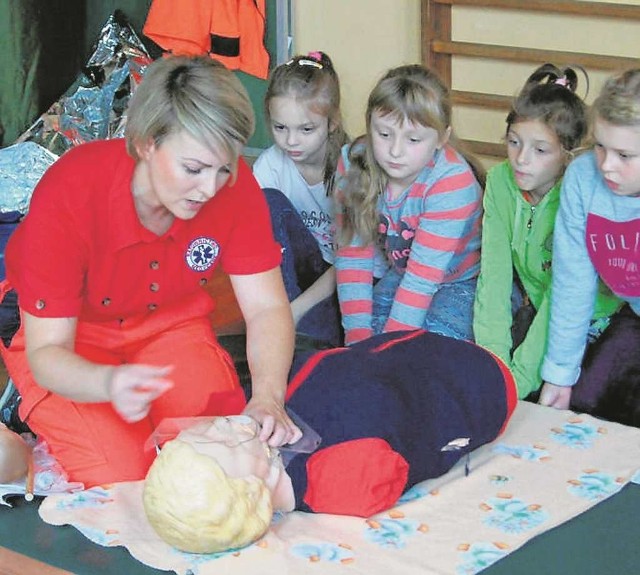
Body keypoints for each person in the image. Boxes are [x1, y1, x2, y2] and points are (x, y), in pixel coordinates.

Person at [0, 55, 302, 488]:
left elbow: (267, 307)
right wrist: (108, 382)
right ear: (146, 144)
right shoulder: (71, 192)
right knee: (124, 480)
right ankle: (27, 412)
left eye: (224, 168)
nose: (211, 188)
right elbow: (49, 351)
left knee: (221, 460)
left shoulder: (233, 188)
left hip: (168, 323)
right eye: (193, 169)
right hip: (68, 337)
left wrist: (268, 396)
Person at [143, 329, 517, 553]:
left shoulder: (250, 419)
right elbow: (387, 415)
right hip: (478, 385)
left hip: (414, 350)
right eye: (219, 444)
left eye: (202, 430)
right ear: (247, 493)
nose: (220, 426)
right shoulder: (342, 477)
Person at [473, 63, 621, 400]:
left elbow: (564, 295)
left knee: (579, 397)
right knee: (474, 368)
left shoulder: (575, 193)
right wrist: (494, 363)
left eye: (540, 150)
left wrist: (517, 382)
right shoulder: (499, 182)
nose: (521, 160)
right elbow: (494, 276)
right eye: (513, 142)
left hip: (586, 318)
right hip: (533, 306)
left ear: (567, 157)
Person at [334, 64, 485, 346]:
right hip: (404, 276)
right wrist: (356, 342)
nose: (395, 151)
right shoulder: (353, 161)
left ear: (441, 139)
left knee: (425, 351)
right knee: (368, 343)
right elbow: (353, 257)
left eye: (413, 139)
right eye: (384, 134)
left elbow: (422, 280)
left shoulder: (452, 182)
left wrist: (391, 355)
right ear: (369, 125)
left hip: (463, 283)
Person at [539, 68, 640, 426]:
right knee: (586, 405)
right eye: (600, 146)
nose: (606, 166)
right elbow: (572, 282)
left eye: (625, 156)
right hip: (633, 314)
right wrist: (560, 374)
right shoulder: (583, 178)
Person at [252, 51, 349, 346]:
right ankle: (279, 317)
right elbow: (257, 245)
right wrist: (281, 310)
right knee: (266, 202)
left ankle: (287, 320)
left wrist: (295, 311)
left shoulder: (352, 168)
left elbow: (352, 262)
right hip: (291, 273)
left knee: (319, 346)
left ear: (331, 123)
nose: (291, 141)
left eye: (306, 129)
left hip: (341, 279)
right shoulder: (270, 165)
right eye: (281, 128)